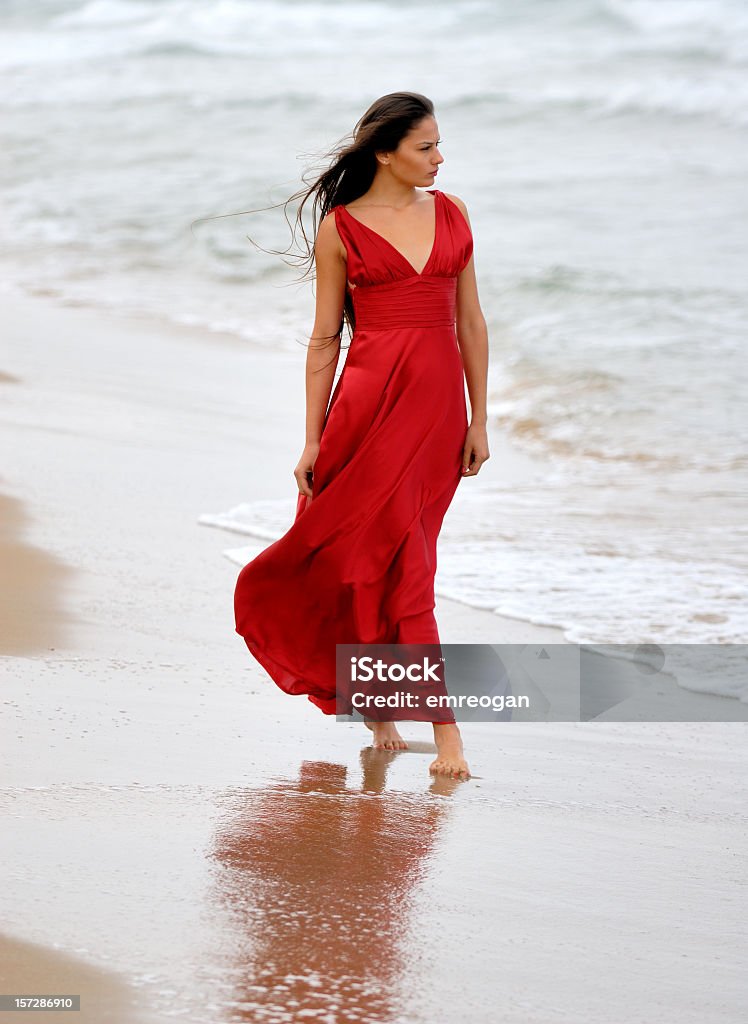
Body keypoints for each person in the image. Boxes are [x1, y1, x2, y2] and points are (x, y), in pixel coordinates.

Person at [234, 91, 490, 781]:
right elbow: (325, 337)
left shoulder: (454, 213)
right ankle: (436, 736)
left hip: (435, 415)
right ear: (386, 153)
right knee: (363, 562)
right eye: (425, 146)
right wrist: (312, 438)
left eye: (438, 144)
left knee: (412, 560)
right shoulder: (341, 229)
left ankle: (400, 718)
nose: (439, 158)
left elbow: (470, 322)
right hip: (365, 408)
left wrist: (480, 417)